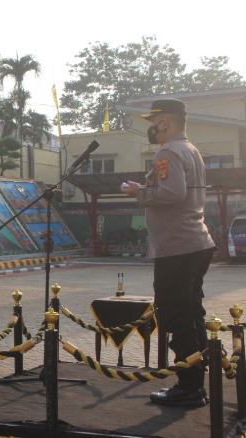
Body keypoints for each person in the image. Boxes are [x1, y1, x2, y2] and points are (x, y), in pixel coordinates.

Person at [123, 99, 215, 408]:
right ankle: (199, 377)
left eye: (154, 121)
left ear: (165, 121)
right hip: (195, 244)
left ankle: (189, 387)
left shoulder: (169, 152)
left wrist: (138, 192)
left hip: (177, 247)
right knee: (192, 313)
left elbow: (172, 193)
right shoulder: (191, 149)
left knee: (176, 315)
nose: (152, 127)